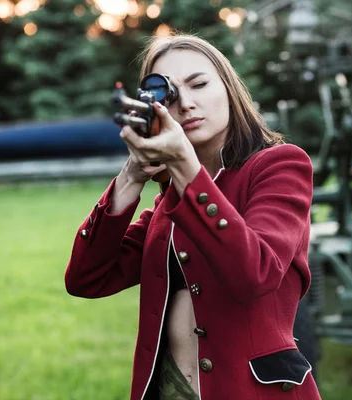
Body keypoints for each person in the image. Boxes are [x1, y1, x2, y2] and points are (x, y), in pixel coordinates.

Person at [65, 33, 321, 400]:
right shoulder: (172, 200)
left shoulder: (280, 165)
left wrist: (184, 169)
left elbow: (256, 275)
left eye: (199, 84)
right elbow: (86, 279)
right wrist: (132, 176)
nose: (186, 103)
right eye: (169, 94)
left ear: (229, 87)